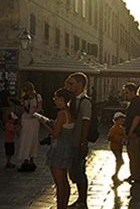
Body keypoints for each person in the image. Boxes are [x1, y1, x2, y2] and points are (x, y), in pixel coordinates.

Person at [39, 88, 74, 209]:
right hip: (67, 149)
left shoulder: (61, 113)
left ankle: (60, 206)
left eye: (56, 98)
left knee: (59, 183)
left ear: (62, 99)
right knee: (64, 181)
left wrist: (43, 123)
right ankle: (64, 205)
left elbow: (55, 134)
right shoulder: (70, 112)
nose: (55, 101)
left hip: (58, 149)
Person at [67, 72, 91, 209]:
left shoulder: (85, 102)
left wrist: (83, 142)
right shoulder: (74, 100)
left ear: (80, 84)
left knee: (79, 171)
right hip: (73, 141)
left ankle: (82, 201)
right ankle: (80, 199)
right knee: (74, 172)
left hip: (79, 142)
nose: (69, 86)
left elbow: (86, 122)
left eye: (72, 83)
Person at [123, 83, 140, 183]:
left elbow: (136, 118)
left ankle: (135, 175)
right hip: (139, 132)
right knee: (136, 154)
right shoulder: (138, 101)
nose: (126, 95)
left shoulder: (135, 103)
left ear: (133, 92)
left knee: (132, 154)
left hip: (135, 132)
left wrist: (130, 131)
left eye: (127, 92)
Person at [17, 81, 42, 166]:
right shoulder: (24, 98)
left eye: (27, 90)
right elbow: (22, 110)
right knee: (25, 138)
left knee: (33, 139)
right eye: (24, 90)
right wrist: (22, 103)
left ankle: (31, 157)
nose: (26, 92)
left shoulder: (37, 96)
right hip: (26, 119)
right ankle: (25, 157)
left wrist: (34, 113)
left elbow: (39, 107)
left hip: (34, 119)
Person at [108, 112, 127, 183]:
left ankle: (116, 175)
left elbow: (124, 136)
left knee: (120, 161)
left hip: (119, 147)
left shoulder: (121, 128)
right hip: (115, 147)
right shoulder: (114, 129)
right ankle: (115, 175)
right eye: (120, 120)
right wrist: (118, 141)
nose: (122, 122)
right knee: (120, 161)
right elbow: (109, 138)